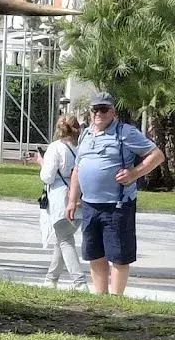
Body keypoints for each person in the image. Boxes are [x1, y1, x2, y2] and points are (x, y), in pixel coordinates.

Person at [65, 92, 167, 296]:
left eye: (103, 109)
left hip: (117, 205)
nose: (98, 114)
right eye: (95, 109)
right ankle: (101, 297)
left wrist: (134, 173)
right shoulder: (85, 134)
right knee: (94, 253)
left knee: (119, 255)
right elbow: (77, 169)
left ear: (113, 111)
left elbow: (157, 155)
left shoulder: (125, 132)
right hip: (90, 205)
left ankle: (116, 298)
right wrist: (72, 200)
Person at [36, 115, 87, 290]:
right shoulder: (80, 148)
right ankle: (51, 279)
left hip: (60, 198)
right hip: (78, 196)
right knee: (62, 238)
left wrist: (41, 162)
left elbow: (47, 177)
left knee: (64, 240)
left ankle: (79, 282)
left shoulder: (55, 148)